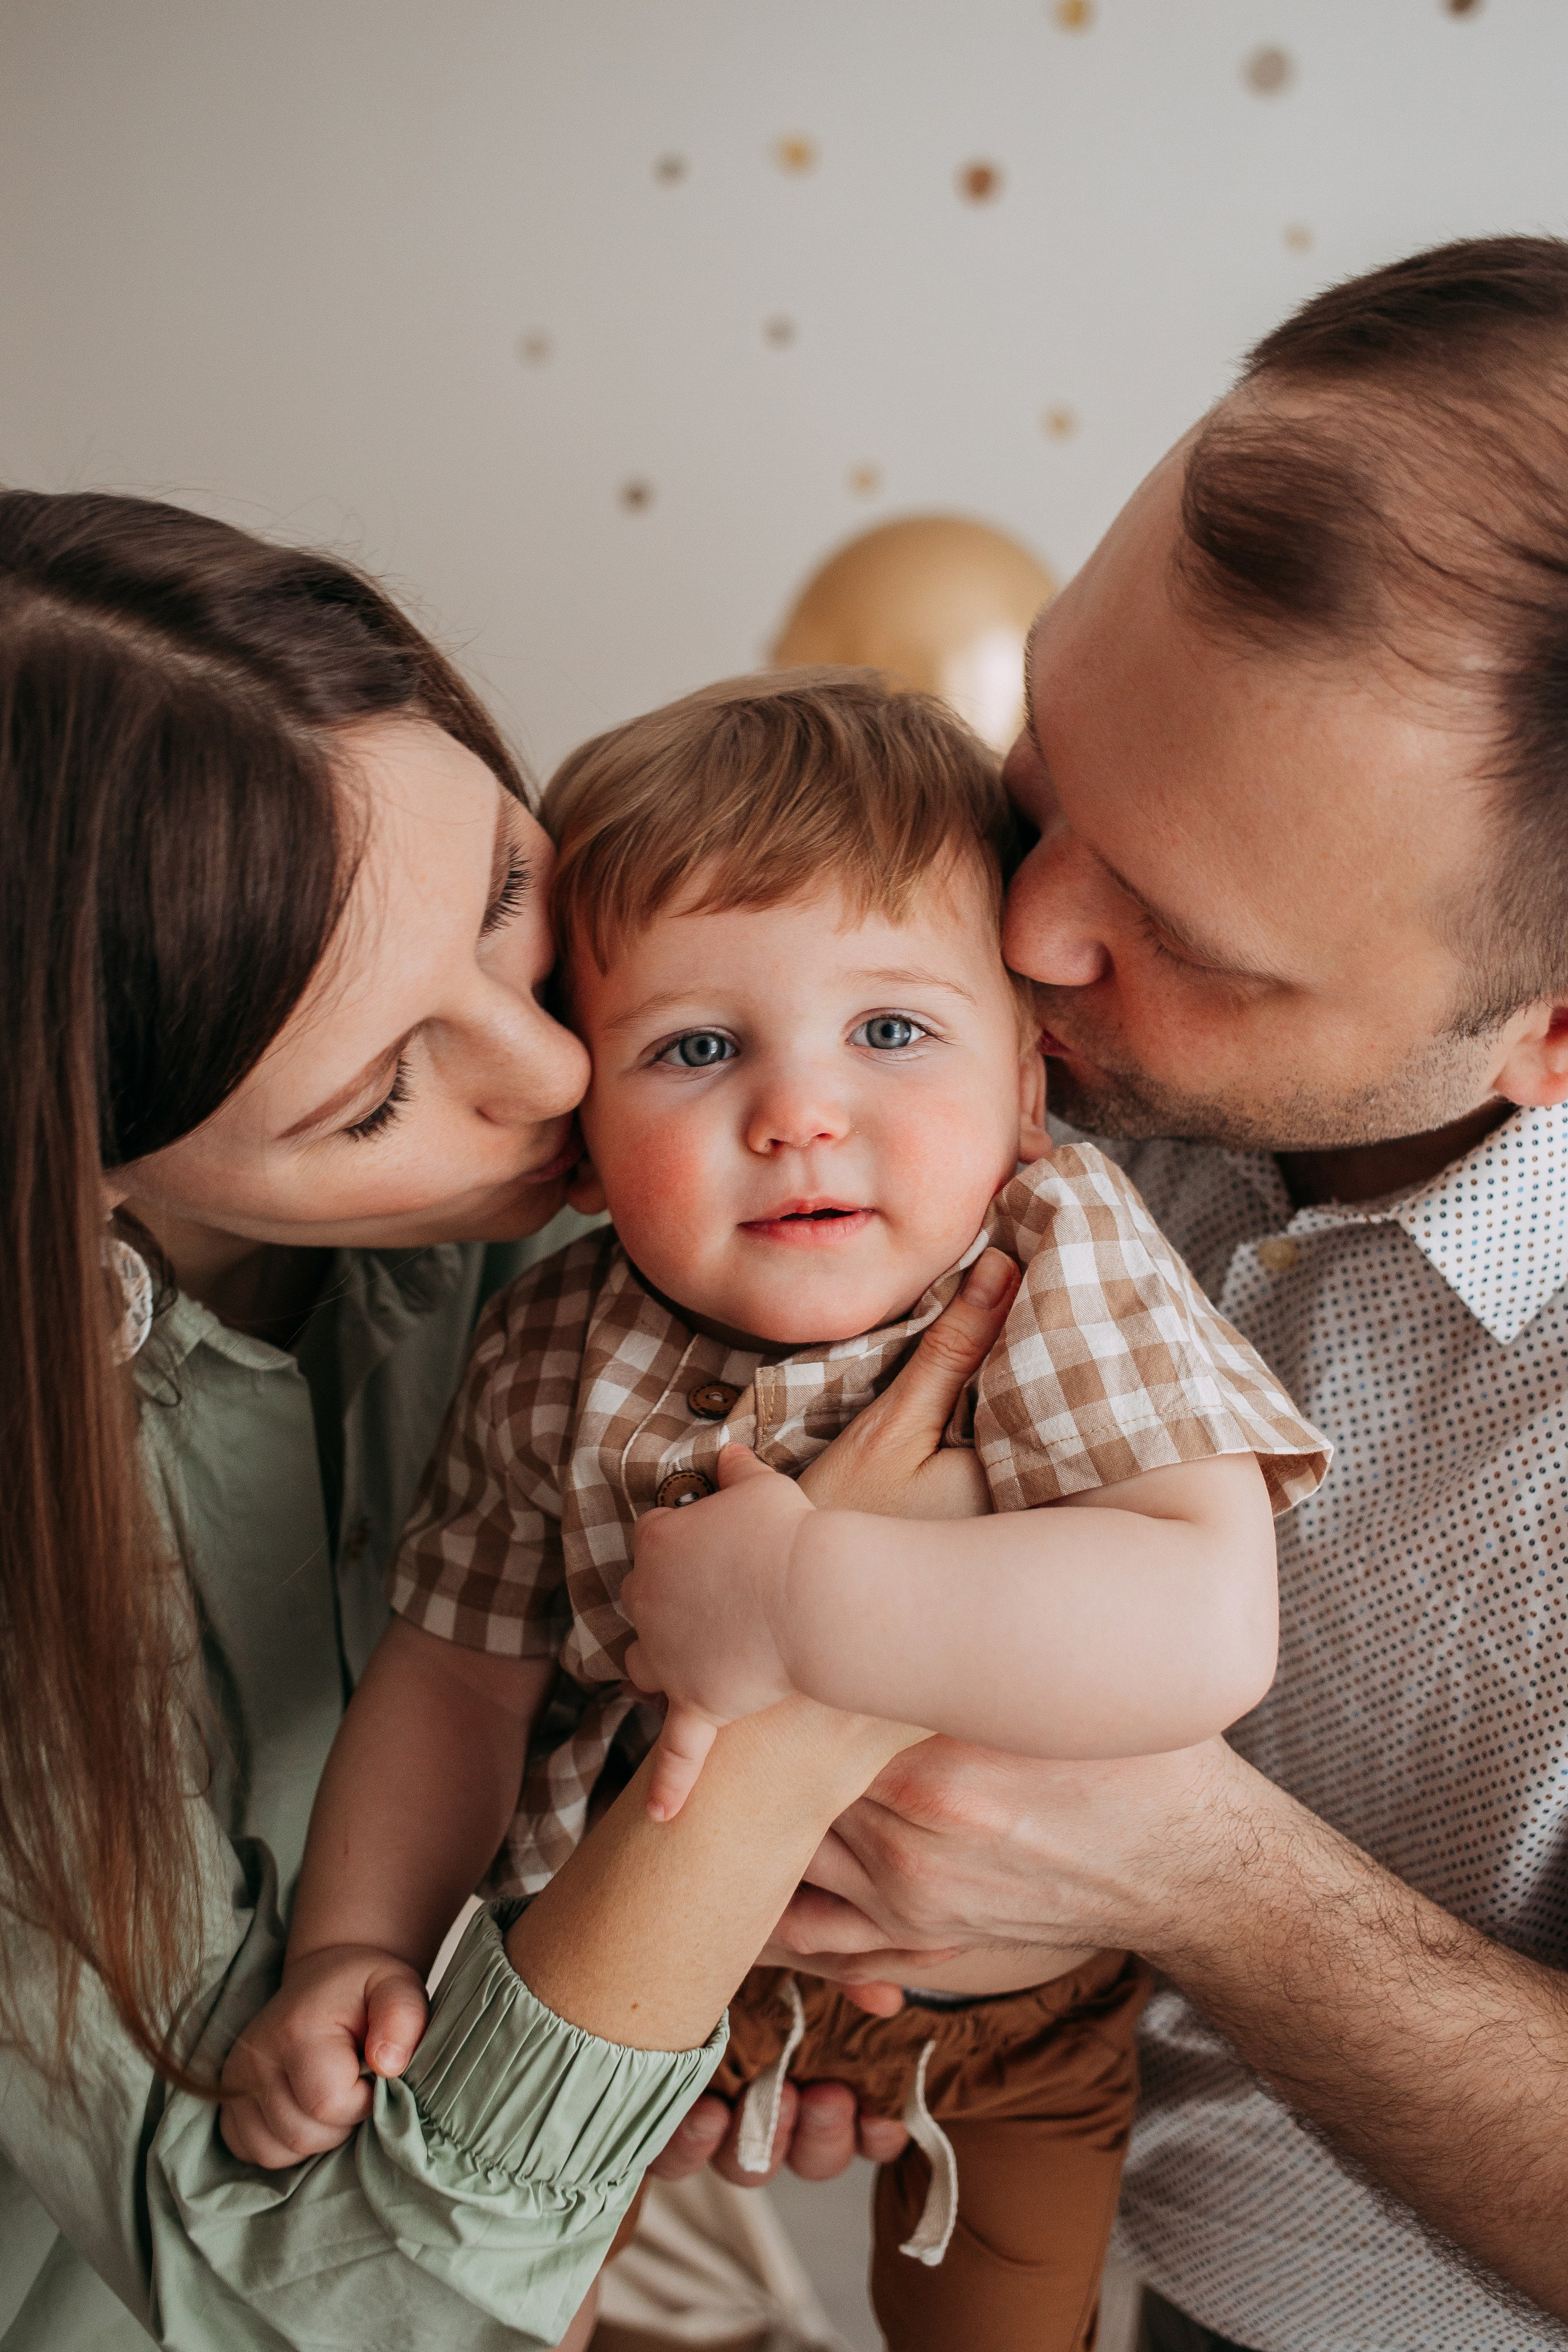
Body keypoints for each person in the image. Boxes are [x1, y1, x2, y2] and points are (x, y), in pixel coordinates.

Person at [640, 235, 1568, 2352]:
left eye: (1190, 937)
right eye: (1046, 758)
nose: (1022, 934)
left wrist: (1194, 1879)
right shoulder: (979, 1013)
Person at [0, 491, 997, 2352]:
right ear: (79, 1180)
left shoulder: (576, 1227)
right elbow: (303, 2302)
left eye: (506, 902)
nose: (555, 1069)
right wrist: (775, 1742)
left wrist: (696, 1996)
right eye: (380, 1095)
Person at [227, 669, 1328, 2352]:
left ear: (1031, 1090)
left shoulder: (1054, 1258)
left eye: (891, 1031)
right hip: (649, 1988)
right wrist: (351, 1946)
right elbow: (453, 1675)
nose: (800, 1111)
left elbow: (1204, 1619)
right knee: (507, 2291)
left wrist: (806, 1605)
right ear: (582, 1131)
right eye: (694, 1048)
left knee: (1005, 2312)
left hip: (1014, 2004)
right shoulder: (549, 1341)